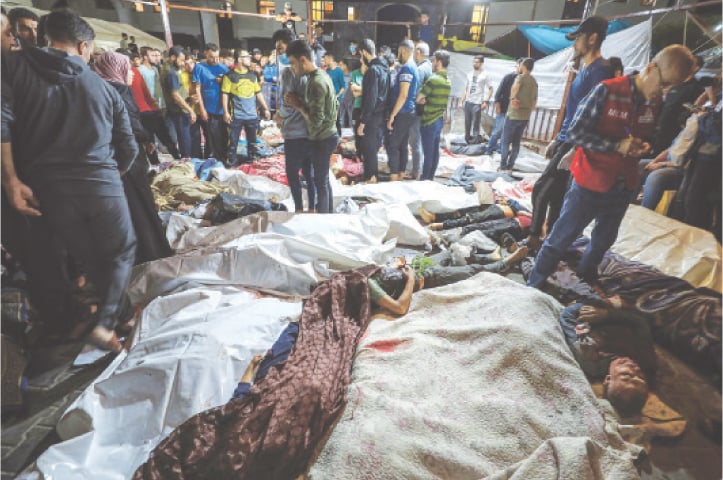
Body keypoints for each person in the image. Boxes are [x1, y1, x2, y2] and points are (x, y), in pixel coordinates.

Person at [2, 9, 138, 351]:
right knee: (121, 252)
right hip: (102, 183)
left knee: (88, 255)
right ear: (84, 46)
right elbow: (129, 147)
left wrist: (12, 180)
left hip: (48, 190)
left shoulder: (14, 67)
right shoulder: (104, 88)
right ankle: (106, 324)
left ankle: (120, 315)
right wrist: (112, 176)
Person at [526, 45, 696, 289]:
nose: (663, 93)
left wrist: (642, 146)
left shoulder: (652, 103)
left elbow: (648, 134)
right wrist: (616, 145)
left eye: (671, 89)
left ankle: (585, 282)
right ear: (650, 69)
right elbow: (575, 132)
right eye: (663, 85)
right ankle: (534, 284)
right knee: (562, 236)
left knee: (603, 240)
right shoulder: (607, 90)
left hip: (622, 184)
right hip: (590, 181)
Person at [526, 17, 613, 252]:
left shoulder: (601, 71)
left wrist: (575, 148)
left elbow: (597, 114)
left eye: (579, 38)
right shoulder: (585, 70)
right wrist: (558, 137)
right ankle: (551, 242)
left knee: (541, 189)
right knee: (556, 196)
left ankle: (535, 237)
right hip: (566, 139)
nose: (575, 44)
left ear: (592, 38)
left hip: (575, 143)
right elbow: (574, 110)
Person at [93, 51, 173, 264]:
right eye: (126, 69)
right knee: (140, 205)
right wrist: (145, 137)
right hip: (126, 158)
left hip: (111, 157)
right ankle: (152, 250)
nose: (131, 73)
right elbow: (129, 126)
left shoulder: (97, 90)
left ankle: (139, 251)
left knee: (129, 207)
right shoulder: (118, 90)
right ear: (115, 69)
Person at [558, 302, 656, 417]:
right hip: (617, 309)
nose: (634, 368)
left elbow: (568, 316)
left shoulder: (591, 359)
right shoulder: (646, 360)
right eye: (641, 375)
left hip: (588, 308)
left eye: (626, 375)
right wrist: (607, 315)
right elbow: (640, 323)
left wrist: (585, 330)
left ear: (608, 379)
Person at [284, 40, 338, 213]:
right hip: (328, 135)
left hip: (323, 138)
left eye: (293, 63)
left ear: (303, 60)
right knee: (323, 180)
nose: (292, 68)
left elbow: (315, 121)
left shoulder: (316, 83)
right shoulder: (322, 76)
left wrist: (298, 105)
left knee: (320, 182)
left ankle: (323, 220)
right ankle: (328, 215)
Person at [273, 28, 315, 212]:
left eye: (280, 47)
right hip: (307, 130)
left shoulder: (291, 72)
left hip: (295, 132)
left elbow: (289, 102)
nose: (279, 52)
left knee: (292, 173)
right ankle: (311, 208)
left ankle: (299, 209)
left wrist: (279, 115)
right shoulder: (307, 71)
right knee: (309, 173)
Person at [222, 49, 271, 166]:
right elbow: (224, 94)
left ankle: (251, 162)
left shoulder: (252, 75)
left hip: (252, 115)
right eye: (247, 56)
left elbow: (258, 93)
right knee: (233, 143)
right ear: (239, 59)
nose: (250, 58)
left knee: (252, 142)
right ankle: (232, 164)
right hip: (236, 116)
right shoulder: (229, 76)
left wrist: (266, 108)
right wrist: (225, 112)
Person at [129, 53, 181, 162]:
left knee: (151, 140)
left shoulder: (127, 73)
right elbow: (146, 91)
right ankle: (176, 158)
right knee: (163, 138)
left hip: (141, 113)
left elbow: (144, 91)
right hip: (149, 111)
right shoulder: (136, 71)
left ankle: (157, 163)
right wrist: (155, 107)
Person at [650, 54, 705, 156]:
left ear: (697, 68)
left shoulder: (696, 88)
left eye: (690, 63)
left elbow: (694, 111)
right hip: (659, 133)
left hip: (674, 136)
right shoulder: (676, 84)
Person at [385, 39, 420, 182]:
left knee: (392, 145)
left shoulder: (407, 68)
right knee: (402, 145)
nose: (398, 55)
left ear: (404, 50)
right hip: (409, 111)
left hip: (403, 112)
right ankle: (400, 174)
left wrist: (393, 115)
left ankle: (394, 177)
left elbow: (403, 94)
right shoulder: (414, 67)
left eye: (399, 51)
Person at [357, 38, 389, 182]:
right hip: (381, 116)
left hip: (372, 117)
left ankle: (371, 178)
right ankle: (372, 177)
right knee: (373, 150)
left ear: (364, 52)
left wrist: (363, 122)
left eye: (360, 54)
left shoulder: (373, 71)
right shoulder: (385, 68)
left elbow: (371, 99)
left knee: (369, 151)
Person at [417, 49, 451, 181]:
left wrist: (423, 98)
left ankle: (424, 179)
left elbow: (419, 98)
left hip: (428, 121)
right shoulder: (447, 81)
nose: (432, 62)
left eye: (434, 60)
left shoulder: (433, 79)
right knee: (435, 151)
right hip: (439, 120)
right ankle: (430, 178)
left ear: (439, 62)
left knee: (428, 153)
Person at [499, 57, 537, 172]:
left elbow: (515, 89)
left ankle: (503, 166)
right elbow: (534, 101)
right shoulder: (534, 81)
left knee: (505, 141)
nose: (519, 66)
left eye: (521, 65)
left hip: (513, 115)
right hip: (525, 116)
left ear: (524, 66)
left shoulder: (520, 77)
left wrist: (512, 99)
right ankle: (510, 166)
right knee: (516, 142)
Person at [193, 43, 230, 162]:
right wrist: (202, 109)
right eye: (211, 57)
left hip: (223, 109)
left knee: (225, 137)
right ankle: (217, 161)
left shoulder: (224, 68)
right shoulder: (199, 68)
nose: (215, 60)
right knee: (214, 139)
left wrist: (224, 80)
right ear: (206, 54)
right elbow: (197, 89)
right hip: (209, 110)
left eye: (217, 57)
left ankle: (224, 158)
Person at [161, 46, 197, 158]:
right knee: (185, 139)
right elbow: (175, 95)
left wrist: (189, 97)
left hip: (178, 107)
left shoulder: (169, 68)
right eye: (181, 60)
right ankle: (187, 163)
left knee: (184, 138)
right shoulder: (171, 73)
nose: (182, 63)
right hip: (180, 110)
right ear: (172, 57)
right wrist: (190, 110)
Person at [406, 40, 432, 180]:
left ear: (418, 52)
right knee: (420, 141)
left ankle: (416, 171)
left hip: (417, 110)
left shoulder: (421, 70)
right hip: (426, 111)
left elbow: (414, 91)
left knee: (415, 142)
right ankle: (419, 169)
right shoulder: (430, 67)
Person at [486, 59, 521, 156]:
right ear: (517, 65)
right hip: (503, 109)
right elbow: (497, 94)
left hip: (514, 112)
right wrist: (497, 106)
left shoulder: (524, 81)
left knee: (507, 133)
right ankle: (489, 149)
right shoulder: (508, 77)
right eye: (520, 65)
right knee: (497, 131)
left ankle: (501, 151)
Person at [459, 55, 490, 145]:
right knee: (467, 123)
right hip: (468, 102)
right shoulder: (469, 74)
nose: (474, 64)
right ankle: (467, 140)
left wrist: (486, 101)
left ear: (481, 63)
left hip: (477, 103)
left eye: (477, 62)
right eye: (474, 62)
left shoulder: (485, 74)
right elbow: (466, 88)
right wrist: (461, 101)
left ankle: (475, 143)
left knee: (476, 124)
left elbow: (490, 88)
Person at [337, 58, 354, 129]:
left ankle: (352, 134)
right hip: (341, 100)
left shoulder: (352, 75)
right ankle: (342, 135)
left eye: (341, 65)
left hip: (350, 100)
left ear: (346, 65)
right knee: (341, 118)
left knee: (351, 117)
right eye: (338, 65)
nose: (339, 67)